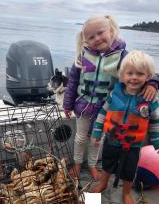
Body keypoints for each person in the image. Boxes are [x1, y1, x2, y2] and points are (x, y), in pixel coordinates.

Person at [63, 15, 157, 181]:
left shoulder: (122, 55)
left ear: (111, 31)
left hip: (106, 107)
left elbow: (142, 70)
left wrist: (153, 83)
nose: (97, 38)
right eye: (91, 37)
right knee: (80, 137)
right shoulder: (82, 55)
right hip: (83, 105)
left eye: (100, 33)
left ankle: (92, 165)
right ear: (85, 40)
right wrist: (67, 104)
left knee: (97, 140)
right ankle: (77, 163)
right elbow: (72, 82)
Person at [91, 50, 159, 204]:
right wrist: (96, 132)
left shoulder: (150, 99)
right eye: (129, 73)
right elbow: (103, 112)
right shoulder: (115, 93)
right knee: (108, 164)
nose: (134, 77)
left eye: (140, 74)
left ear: (148, 77)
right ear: (122, 75)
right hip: (111, 140)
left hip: (133, 145)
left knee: (129, 172)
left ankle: (126, 193)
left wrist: (156, 142)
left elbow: (155, 121)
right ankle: (103, 183)